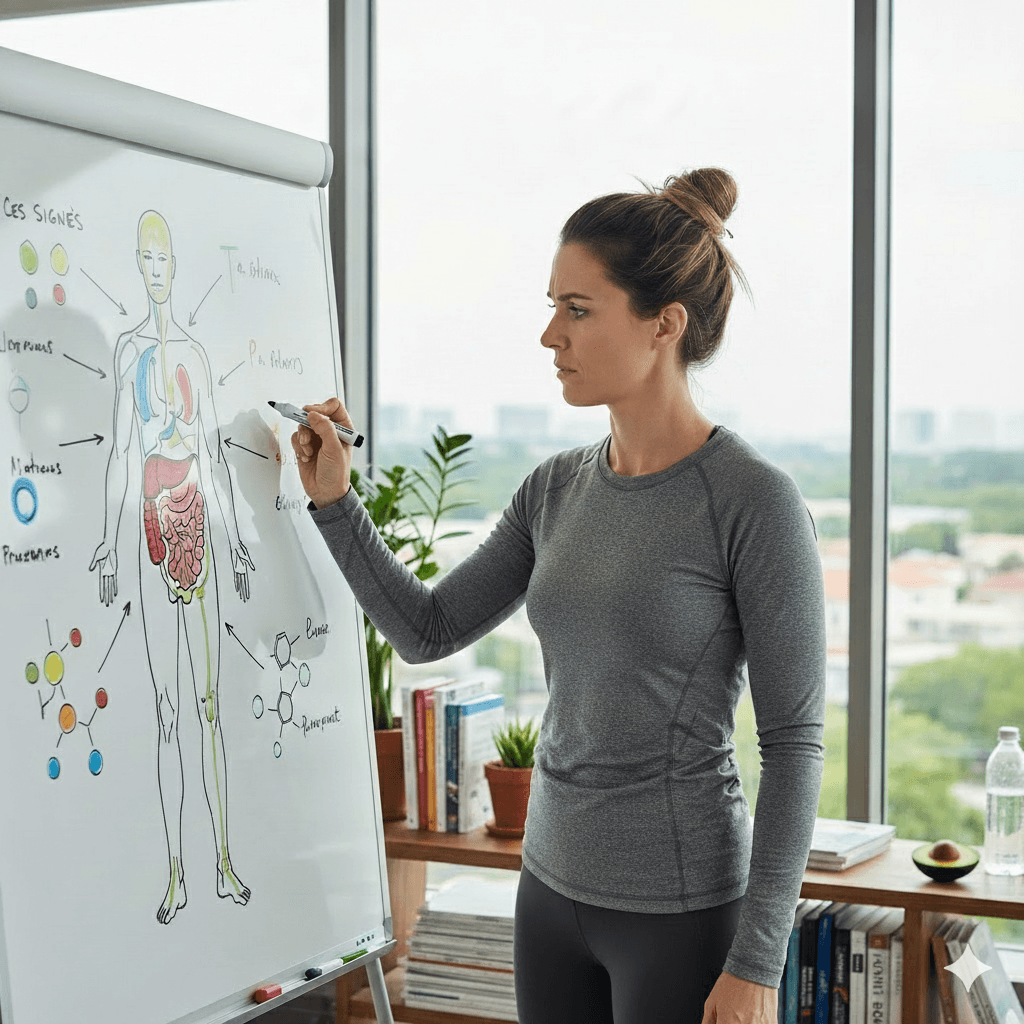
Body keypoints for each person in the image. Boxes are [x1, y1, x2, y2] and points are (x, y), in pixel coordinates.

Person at [292, 168, 825, 1024]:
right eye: (552, 305)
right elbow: (427, 629)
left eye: (578, 309)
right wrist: (335, 502)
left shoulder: (752, 500)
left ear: (665, 324)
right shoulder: (555, 489)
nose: (550, 334)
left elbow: (794, 745)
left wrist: (759, 962)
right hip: (548, 892)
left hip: (681, 912)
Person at [90, 210, 255, 925]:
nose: (153, 269)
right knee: (166, 709)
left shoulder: (192, 353)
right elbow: (123, 453)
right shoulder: (129, 354)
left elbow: (215, 458)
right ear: (137, 266)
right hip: (150, 524)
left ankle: (221, 861)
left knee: (210, 706)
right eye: (144, 259)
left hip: (200, 521)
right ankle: (177, 873)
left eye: (161, 258)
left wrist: (242, 537)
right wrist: (106, 539)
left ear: (174, 267)